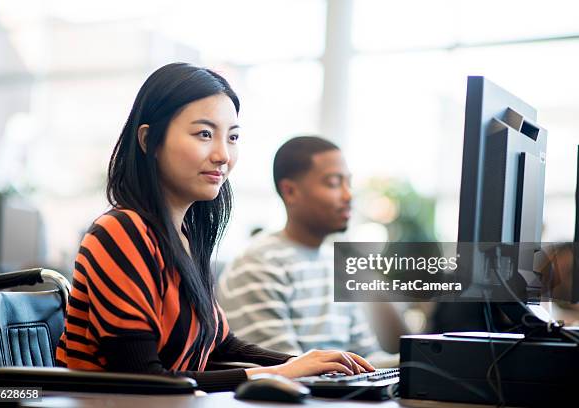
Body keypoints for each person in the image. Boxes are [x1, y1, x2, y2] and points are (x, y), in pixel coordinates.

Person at [55, 64, 374, 392]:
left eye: (232, 137)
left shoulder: (185, 239)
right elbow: (144, 380)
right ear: (149, 140)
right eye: (204, 134)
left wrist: (304, 364)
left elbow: (223, 344)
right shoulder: (119, 233)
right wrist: (278, 373)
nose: (223, 155)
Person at [217, 136, 398, 367]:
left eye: (348, 183)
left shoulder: (337, 265)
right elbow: (287, 371)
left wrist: (421, 362)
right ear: (290, 191)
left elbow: (368, 360)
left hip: (336, 394)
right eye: (334, 183)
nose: (348, 195)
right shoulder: (259, 264)